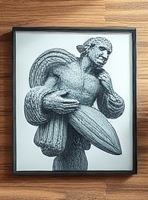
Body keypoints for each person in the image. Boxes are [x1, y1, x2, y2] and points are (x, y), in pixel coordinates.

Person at [24, 36, 125, 171]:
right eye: (102, 49)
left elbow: (109, 112)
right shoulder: (63, 68)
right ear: (88, 48)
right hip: (57, 127)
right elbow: (39, 93)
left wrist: (110, 90)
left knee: (77, 164)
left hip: (81, 133)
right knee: (62, 158)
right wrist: (48, 101)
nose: (105, 55)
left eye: (109, 52)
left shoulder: (100, 79)